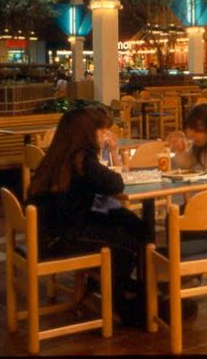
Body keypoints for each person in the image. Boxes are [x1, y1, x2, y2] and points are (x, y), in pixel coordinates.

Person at [26, 107, 148, 327]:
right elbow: (115, 183)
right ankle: (120, 301)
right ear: (87, 133)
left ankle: (112, 288)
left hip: (50, 233)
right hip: (63, 239)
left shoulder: (56, 156)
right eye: (101, 130)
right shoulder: (83, 159)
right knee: (129, 239)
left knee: (132, 226)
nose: (105, 135)